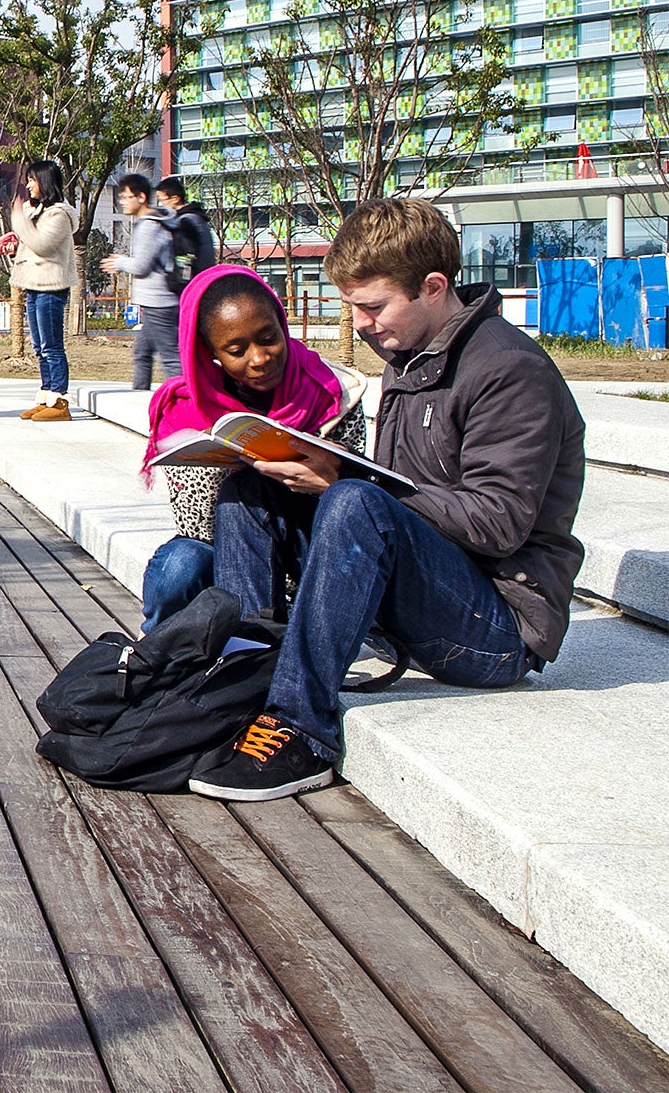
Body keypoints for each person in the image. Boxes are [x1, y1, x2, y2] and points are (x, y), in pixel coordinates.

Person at [188, 198, 585, 801]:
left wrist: (355, 485)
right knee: (252, 490)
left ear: (432, 287)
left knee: (354, 504)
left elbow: (500, 523)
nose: (361, 323)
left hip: (499, 625)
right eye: (353, 307)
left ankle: (300, 728)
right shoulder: (409, 355)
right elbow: (403, 491)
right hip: (427, 589)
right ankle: (245, 683)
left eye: (372, 306)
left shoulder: (509, 371)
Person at [137, 265, 366, 631]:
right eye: (236, 349)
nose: (259, 359)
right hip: (224, 549)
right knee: (180, 564)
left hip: (308, 541)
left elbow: (358, 501)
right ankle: (160, 652)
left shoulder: (332, 392)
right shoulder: (185, 410)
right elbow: (196, 527)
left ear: (281, 321)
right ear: (211, 352)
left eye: (267, 337)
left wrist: (327, 472)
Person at [0, 159, 77, 422]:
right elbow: (32, 242)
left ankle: (59, 400)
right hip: (33, 286)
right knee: (39, 347)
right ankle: (46, 395)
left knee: (52, 345)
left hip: (50, 287)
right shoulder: (39, 212)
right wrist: (16, 244)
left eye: (32, 180)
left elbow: (42, 244)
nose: (28, 185)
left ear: (44, 182)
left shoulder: (59, 215)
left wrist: (19, 221)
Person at [102, 173, 180, 391]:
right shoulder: (159, 221)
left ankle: (188, 402)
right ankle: (139, 398)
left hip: (158, 301)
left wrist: (119, 262)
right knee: (142, 353)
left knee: (171, 358)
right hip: (157, 300)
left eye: (127, 197)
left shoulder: (149, 226)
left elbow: (141, 266)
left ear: (142, 197)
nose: (122, 202)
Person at [154, 175, 216, 287]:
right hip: (204, 278)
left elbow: (184, 257)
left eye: (161, 200)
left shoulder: (185, 221)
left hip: (193, 283)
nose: (160, 205)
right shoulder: (197, 217)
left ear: (175, 199)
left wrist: (176, 283)